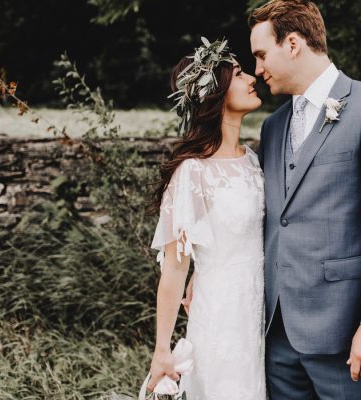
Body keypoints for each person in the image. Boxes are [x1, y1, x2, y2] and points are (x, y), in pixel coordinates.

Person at [248, 0, 361, 398]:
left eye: (261, 54)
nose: (258, 69)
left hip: (345, 336)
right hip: (277, 335)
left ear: (292, 44)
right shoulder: (274, 128)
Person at [146, 38, 266, 400]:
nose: (252, 78)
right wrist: (162, 350)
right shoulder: (192, 174)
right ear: (215, 93)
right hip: (222, 315)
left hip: (260, 307)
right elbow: (174, 270)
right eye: (240, 73)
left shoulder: (253, 160)